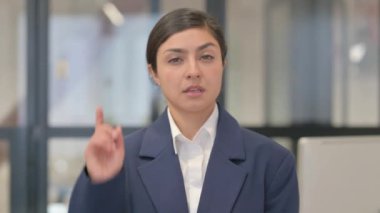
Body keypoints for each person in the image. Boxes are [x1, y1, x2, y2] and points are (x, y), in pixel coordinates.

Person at [69, 8, 299, 213]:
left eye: (206, 57)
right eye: (176, 59)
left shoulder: (271, 162)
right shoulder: (123, 159)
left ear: (223, 64)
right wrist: (99, 182)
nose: (193, 71)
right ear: (154, 73)